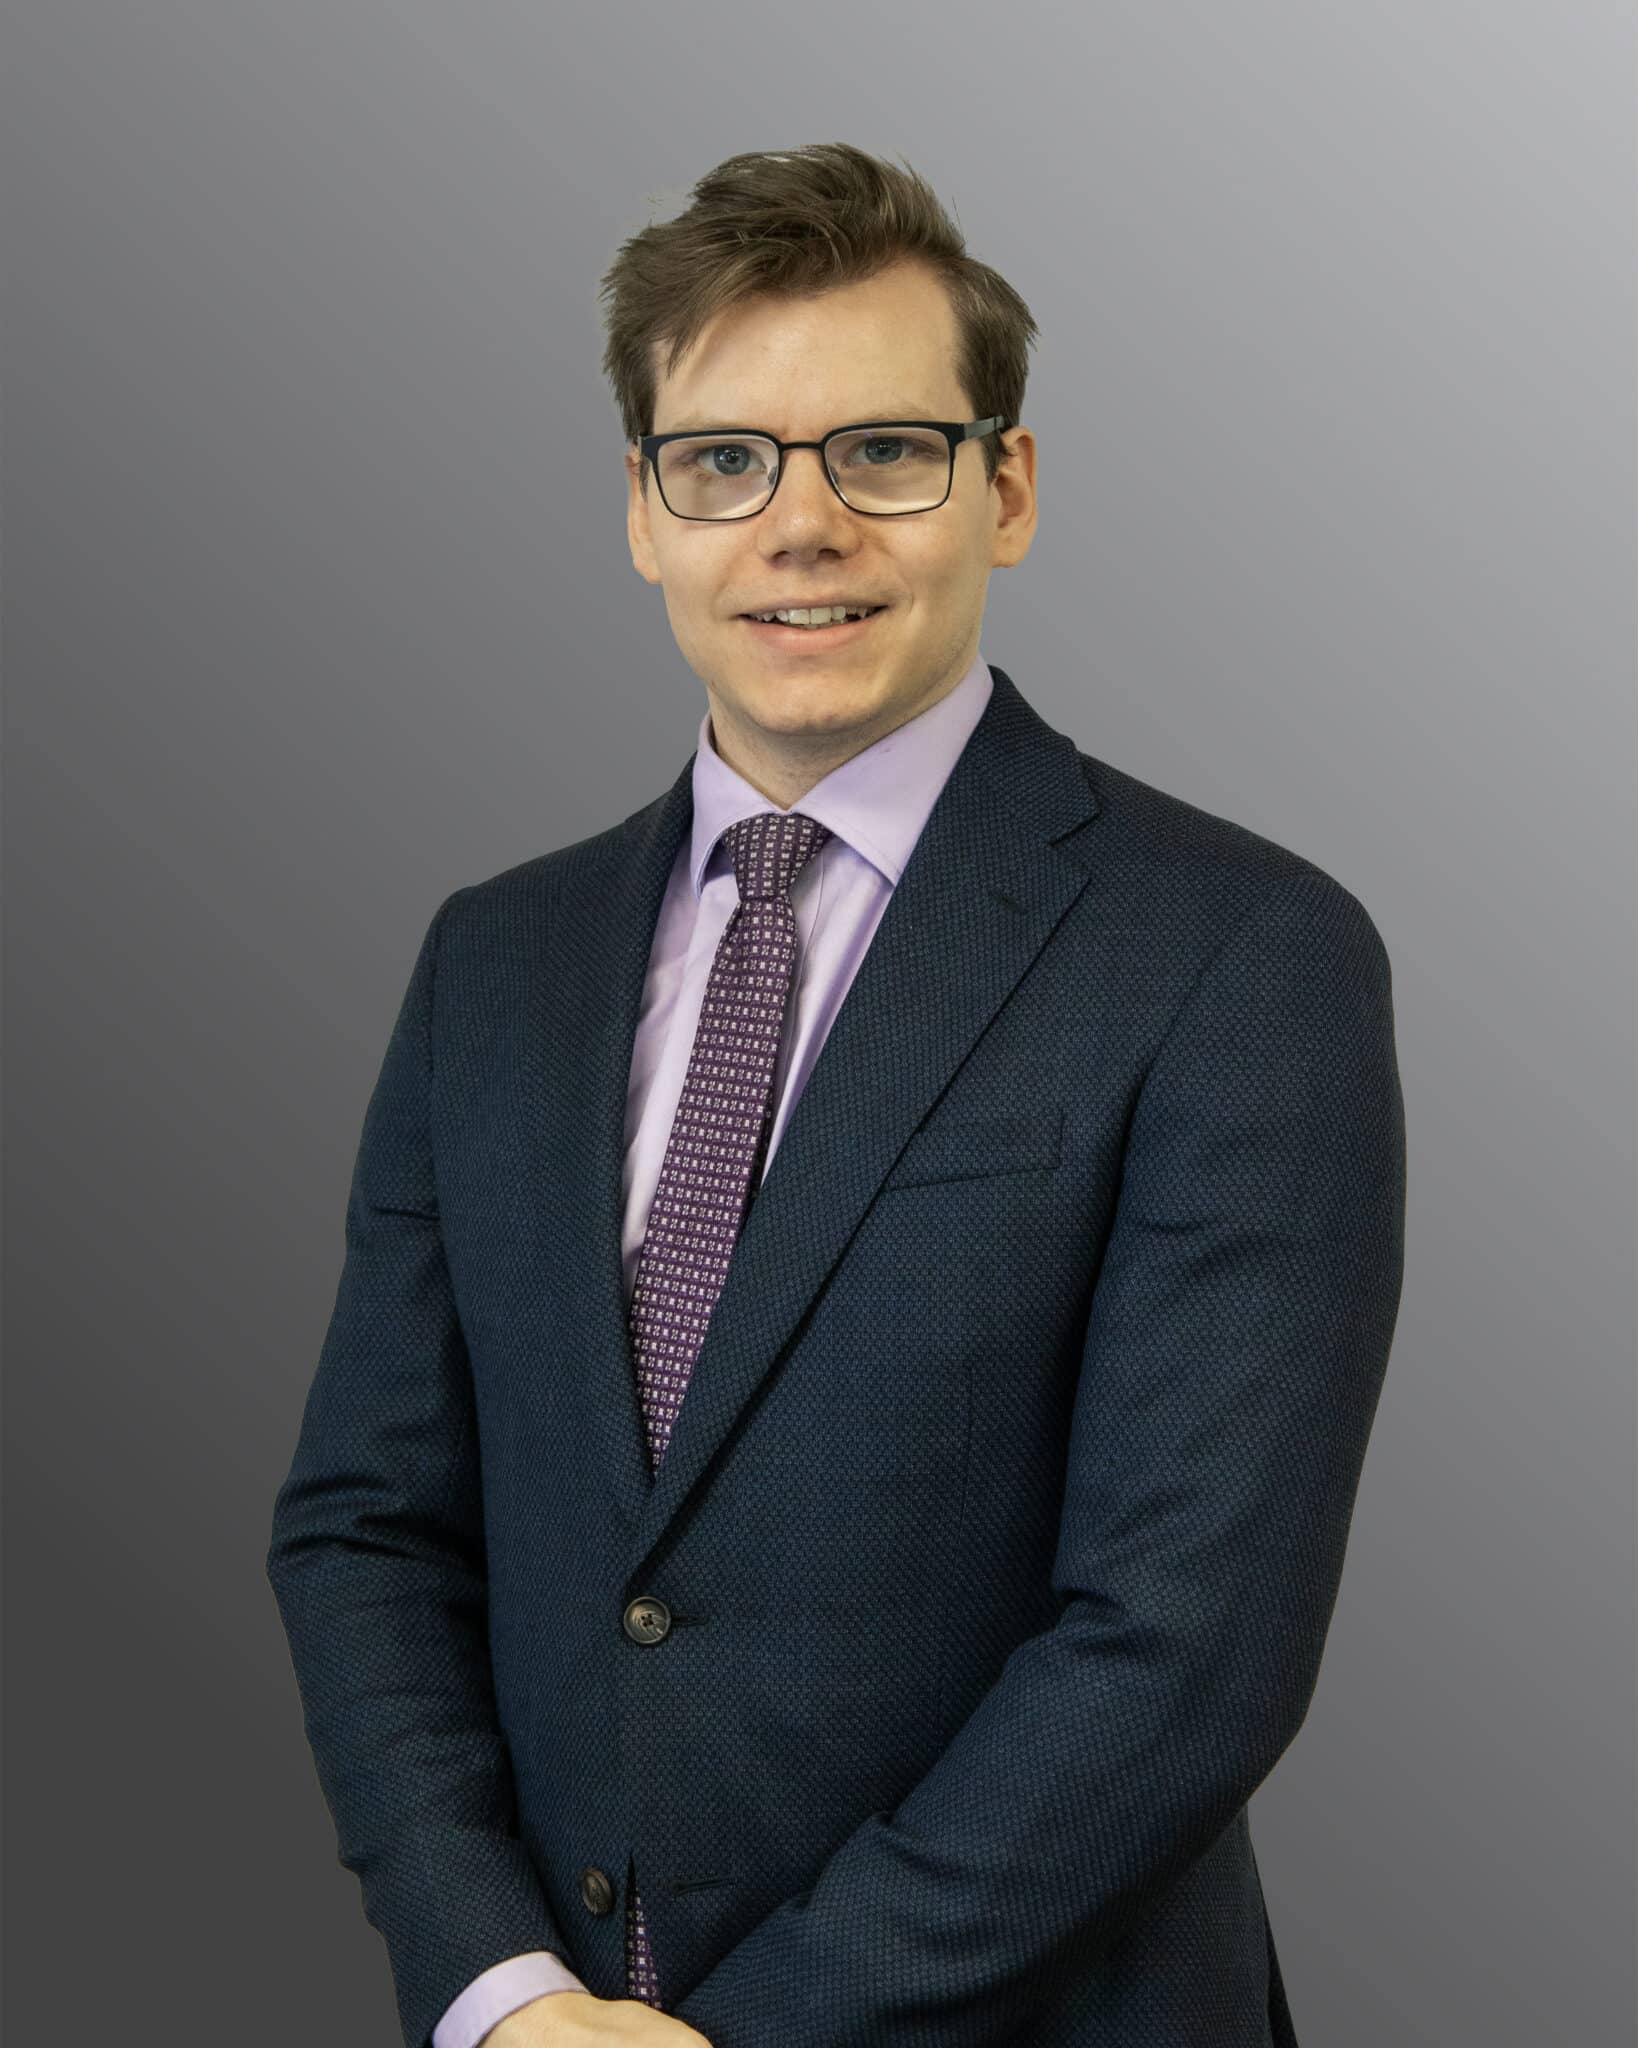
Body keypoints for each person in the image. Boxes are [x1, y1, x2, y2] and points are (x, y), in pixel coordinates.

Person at [266, 142, 1406, 2048]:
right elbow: (365, 1529)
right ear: (644, 512)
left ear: (1004, 488)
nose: (800, 527)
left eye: (882, 451)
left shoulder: (1240, 953)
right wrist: (500, 1991)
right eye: (723, 460)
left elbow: (1184, 1647)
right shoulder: (494, 963)